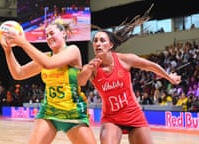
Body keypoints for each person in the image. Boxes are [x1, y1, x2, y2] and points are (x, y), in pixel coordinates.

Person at [77, 8, 181, 144]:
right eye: (95, 41)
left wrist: (169, 77)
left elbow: (150, 65)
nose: (98, 43)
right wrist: (89, 69)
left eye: (102, 40)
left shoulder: (124, 60)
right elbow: (80, 81)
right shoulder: (91, 67)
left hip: (133, 114)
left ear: (110, 45)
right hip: (111, 118)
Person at [0, 19, 97, 144]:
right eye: (47, 35)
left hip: (73, 113)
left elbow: (48, 64)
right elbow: (18, 73)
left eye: (52, 33)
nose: (49, 37)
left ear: (63, 33)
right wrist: (8, 51)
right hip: (49, 112)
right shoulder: (46, 56)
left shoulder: (73, 50)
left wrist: (23, 43)